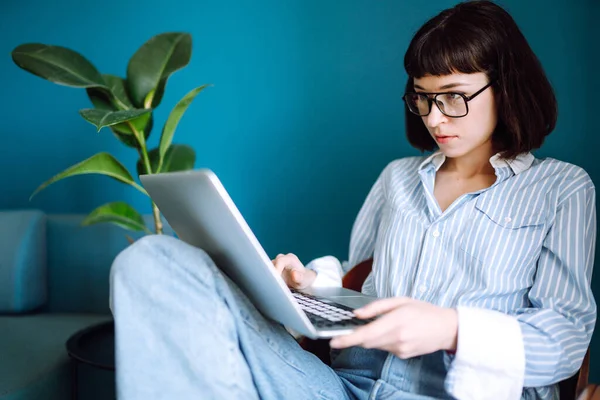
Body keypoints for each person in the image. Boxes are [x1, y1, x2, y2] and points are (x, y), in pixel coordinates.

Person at [109, 1, 596, 399]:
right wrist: (309, 284)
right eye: (422, 98)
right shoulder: (398, 179)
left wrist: (451, 329)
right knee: (153, 259)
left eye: (452, 96)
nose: (435, 118)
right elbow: (359, 278)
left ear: (506, 86)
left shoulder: (563, 189)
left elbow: (567, 339)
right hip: (341, 388)